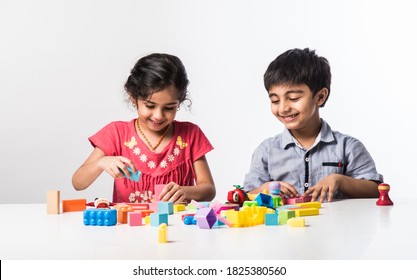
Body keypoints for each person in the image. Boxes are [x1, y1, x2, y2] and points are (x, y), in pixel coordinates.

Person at [243, 48, 383, 202]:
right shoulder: (266, 151)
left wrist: (340, 181)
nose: (283, 108)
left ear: (320, 96)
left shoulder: (348, 146)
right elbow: (246, 196)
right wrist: (265, 189)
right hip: (285, 226)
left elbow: (376, 190)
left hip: (337, 225)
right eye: (275, 100)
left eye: (294, 98)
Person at [72, 53, 216, 203]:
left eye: (169, 107)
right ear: (133, 98)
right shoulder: (117, 134)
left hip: (175, 226)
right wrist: (101, 163)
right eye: (150, 105)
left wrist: (186, 191)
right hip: (129, 226)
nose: (158, 115)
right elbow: (78, 183)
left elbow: (209, 189)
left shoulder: (190, 134)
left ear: (179, 103)